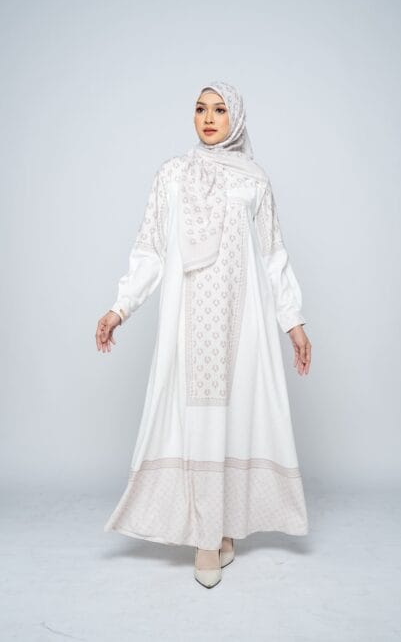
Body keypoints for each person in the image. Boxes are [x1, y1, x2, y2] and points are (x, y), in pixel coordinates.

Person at [96, 80, 312, 589]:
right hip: (188, 319)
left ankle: (222, 527)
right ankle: (205, 537)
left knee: (235, 416)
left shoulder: (254, 180)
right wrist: (120, 307)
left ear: (235, 118)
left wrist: (294, 323)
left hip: (243, 320)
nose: (209, 118)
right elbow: (150, 250)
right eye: (200, 109)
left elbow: (273, 256)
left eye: (219, 109)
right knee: (196, 416)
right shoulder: (171, 175)